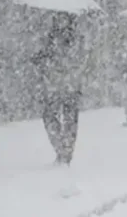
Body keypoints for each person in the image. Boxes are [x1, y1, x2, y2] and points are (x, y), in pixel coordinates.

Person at [32, 13, 90, 165]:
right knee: (56, 117)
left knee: (64, 118)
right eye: (58, 19)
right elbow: (82, 60)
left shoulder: (71, 39)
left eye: (62, 18)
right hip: (60, 85)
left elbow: (81, 60)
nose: (60, 21)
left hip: (61, 85)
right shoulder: (52, 39)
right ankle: (63, 150)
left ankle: (64, 151)